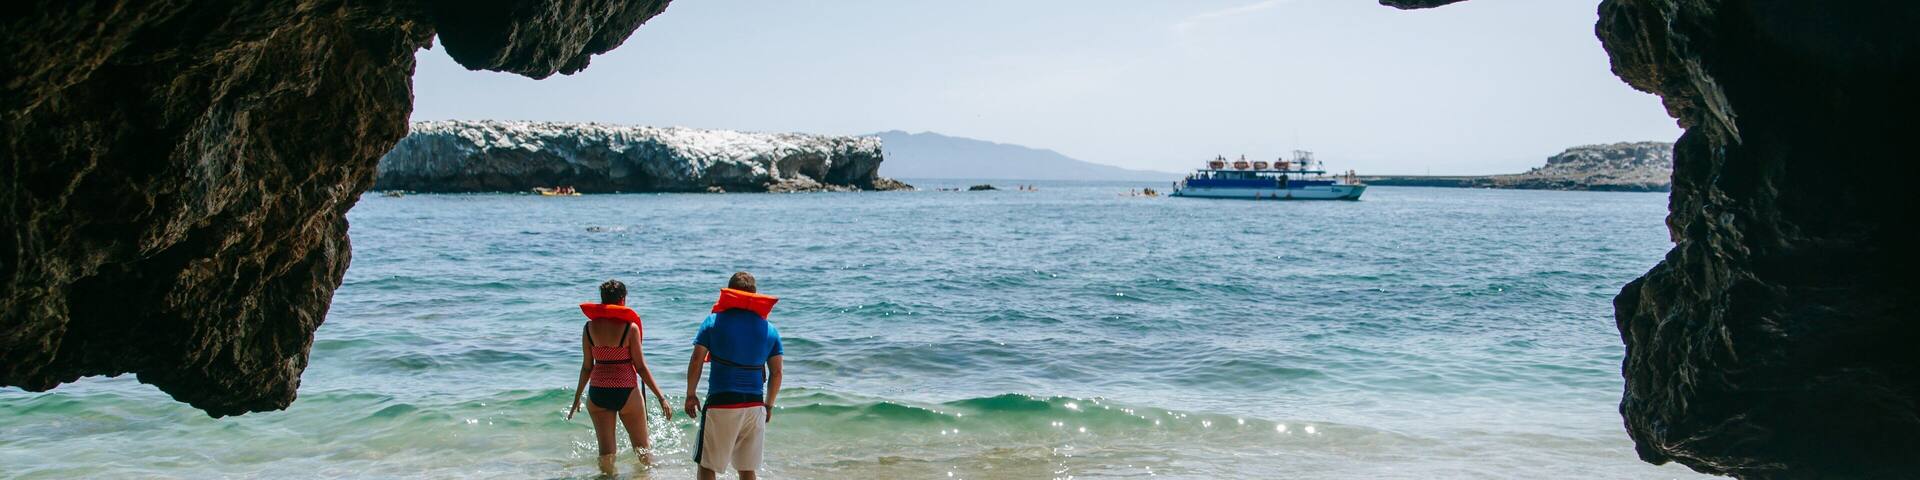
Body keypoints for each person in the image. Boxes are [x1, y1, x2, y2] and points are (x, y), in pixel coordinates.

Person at [684, 272, 785, 480]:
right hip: (754, 405)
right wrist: (768, 405)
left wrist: (690, 393)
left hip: (722, 403)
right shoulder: (771, 330)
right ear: (754, 295)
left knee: (706, 466)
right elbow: (777, 372)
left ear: (729, 293)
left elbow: (696, 360)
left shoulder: (713, 322)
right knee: (747, 469)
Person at [567, 279, 671, 475]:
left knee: (606, 454)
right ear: (623, 300)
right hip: (626, 392)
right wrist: (661, 397)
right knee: (642, 450)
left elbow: (587, 367)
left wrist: (577, 397)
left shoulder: (589, 328)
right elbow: (640, 367)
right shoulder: (630, 328)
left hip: (598, 393)